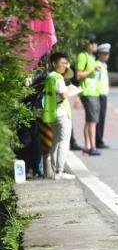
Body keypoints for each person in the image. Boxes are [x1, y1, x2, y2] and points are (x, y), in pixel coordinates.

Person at [41, 52, 75, 180]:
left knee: (55, 142)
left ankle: (55, 172)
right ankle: (60, 171)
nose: (65, 66)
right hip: (62, 113)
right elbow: (64, 95)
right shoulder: (58, 78)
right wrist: (70, 89)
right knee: (64, 141)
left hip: (53, 113)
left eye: (66, 63)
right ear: (54, 63)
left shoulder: (49, 77)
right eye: (63, 63)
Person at [76, 34, 102, 156]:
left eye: (95, 43)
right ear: (87, 44)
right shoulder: (83, 56)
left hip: (94, 92)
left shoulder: (92, 57)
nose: (95, 45)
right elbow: (78, 75)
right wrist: (92, 70)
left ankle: (88, 146)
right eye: (92, 43)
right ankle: (92, 146)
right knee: (92, 121)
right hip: (87, 92)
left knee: (90, 120)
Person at [95, 43, 111, 148]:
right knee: (98, 119)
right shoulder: (97, 65)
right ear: (99, 54)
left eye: (107, 53)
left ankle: (99, 139)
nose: (105, 55)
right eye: (103, 53)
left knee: (102, 118)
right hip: (98, 94)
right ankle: (98, 140)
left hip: (103, 94)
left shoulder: (104, 65)